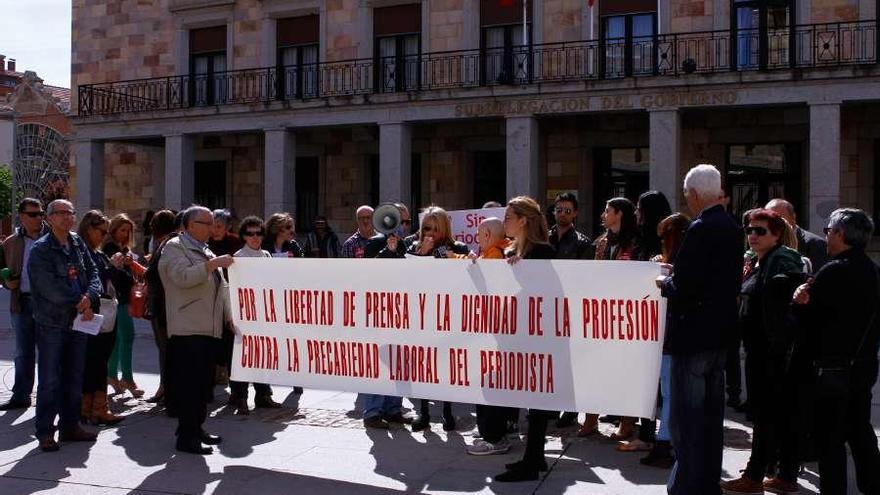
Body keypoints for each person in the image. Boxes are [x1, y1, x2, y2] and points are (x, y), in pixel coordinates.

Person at [656, 164, 743, 495]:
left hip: (692, 337)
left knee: (687, 420)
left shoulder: (700, 228)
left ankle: (688, 485)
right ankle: (706, 482)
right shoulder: (733, 227)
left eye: (686, 194)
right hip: (720, 336)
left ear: (693, 194)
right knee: (710, 419)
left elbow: (687, 286)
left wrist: (666, 282)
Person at [793, 208, 880, 495]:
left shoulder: (832, 271)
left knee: (830, 439)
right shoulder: (873, 271)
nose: (826, 236)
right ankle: (872, 483)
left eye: (829, 231)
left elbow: (808, 321)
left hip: (832, 369)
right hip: (863, 365)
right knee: (859, 428)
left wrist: (799, 301)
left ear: (840, 234)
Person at [720, 209, 806, 495]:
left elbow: (782, 306)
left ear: (777, 234)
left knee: (768, 415)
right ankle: (783, 475)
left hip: (773, 353)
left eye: (760, 231)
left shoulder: (781, 261)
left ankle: (756, 476)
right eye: (749, 230)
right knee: (777, 415)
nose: (753, 236)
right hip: (763, 350)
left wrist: (777, 346)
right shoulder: (759, 261)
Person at [28, 199, 103, 452]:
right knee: (50, 379)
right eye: (60, 213)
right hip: (52, 322)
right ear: (49, 218)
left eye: (70, 213)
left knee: (74, 376)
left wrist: (89, 297)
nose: (67, 217)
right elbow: (47, 287)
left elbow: (94, 273)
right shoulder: (41, 249)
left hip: (78, 323)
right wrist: (78, 302)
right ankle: (45, 431)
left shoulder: (78, 243)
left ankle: (70, 426)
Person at [159, 205, 234, 455]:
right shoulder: (174, 248)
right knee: (190, 386)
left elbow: (220, 290)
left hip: (208, 328)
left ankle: (195, 428)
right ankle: (186, 437)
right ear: (191, 226)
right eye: (207, 223)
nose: (213, 227)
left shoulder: (204, 249)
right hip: (187, 328)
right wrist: (212, 265)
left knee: (204, 386)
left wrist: (229, 317)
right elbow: (181, 277)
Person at [493, 196, 556, 482]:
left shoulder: (541, 252)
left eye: (508, 217)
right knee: (533, 398)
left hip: (538, 336)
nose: (504, 221)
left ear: (523, 221)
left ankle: (532, 461)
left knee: (538, 399)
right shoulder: (514, 251)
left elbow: (544, 294)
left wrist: (522, 273)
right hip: (523, 334)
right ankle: (536, 457)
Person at [579, 197, 640, 440]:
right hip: (600, 315)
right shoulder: (602, 243)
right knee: (594, 368)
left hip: (626, 316)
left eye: (607, 210)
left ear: (620, 214)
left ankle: (626, 423)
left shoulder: (635, 243)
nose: (603, 214)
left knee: (624, 371)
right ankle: (591, 419)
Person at [406, 206, 469, 432]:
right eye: (426, 228)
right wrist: (421, 254)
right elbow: (406, 279)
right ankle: (423, 413)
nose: (430, 233)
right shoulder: (413, 247)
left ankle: (447, 411)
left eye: (435, 228)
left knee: (446, 365)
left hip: (448, 314)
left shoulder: (458, 248)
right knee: (422, 366)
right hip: (421, 315)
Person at [640, 213, 691, 469]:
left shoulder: (681, 266)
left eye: (663, 238)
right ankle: (666, 441)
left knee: (669, 393)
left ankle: (665, 442)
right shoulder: (681, 263)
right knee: (669, 392)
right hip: (672, 337)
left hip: (672, 337)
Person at [358, 203, 414, 429]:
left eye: (406, 222)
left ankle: (393, 408)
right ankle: (372, 412)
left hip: (403, 310)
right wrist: (388, 252)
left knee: (399, 362)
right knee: (379, 362)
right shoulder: (374, 243)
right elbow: (370, 272)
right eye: (400, 221)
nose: (403, 226)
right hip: (380, 310)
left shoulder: (409, 245)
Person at [465, 217, 518, 456]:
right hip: (501, 332)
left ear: (486, 234)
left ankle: (493, 436)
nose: (477, 238)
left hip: (494, 331)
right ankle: (497, 430)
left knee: (490, 382)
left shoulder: (495, 257)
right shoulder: (501, 253)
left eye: (479, 233)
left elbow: (488, 290)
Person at [228, 216, 283, 414]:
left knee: (263, 355)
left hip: (264, 313)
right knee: (243, 356)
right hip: (244, 314)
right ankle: (240, 396)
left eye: (259, 233)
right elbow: (234, 288)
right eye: (250, 234)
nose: (255, 237)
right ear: (243, 235)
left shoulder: (267, 255)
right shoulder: (239, 256)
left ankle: (263, 394)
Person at [548, 192, 593, 428]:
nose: (562, 214)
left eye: (567, 210)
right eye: (558, 210)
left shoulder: (583, 243)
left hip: (570, 309)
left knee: (571, 362)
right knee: (552, 360)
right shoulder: (545, 238)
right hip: (546, 307)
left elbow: (584, 280)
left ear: (575, 213)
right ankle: (552, 406)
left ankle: (572, 408)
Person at [0, 198, 48, 410]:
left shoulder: (52, 237)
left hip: (48, 305)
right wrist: (6, 282)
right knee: (23, 352)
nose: (39, 218)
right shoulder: (11, 242)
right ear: (21, 216)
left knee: (50, 351)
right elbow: (2, 270)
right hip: (21, 303)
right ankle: (21, 396)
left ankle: (50, 396)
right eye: (33, 214)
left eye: (41, 214)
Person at [77, 210, 123, 426]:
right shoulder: (81, 252)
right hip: (90, 314)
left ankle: (95, 408)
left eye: (106, 232)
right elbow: (90, 281)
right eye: (101, 231)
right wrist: (112, 268)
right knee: (92, 363)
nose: (105, 236)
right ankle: (90, 409)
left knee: (98, 363)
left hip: (103, 315)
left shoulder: (97, 253)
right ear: (88, 228)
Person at [104, 213, 147, 398]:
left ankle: (112, 375)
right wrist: (129, 266)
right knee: (127, 337)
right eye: (122, 230)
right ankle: (127, 378)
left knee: (118, 340)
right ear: (114, 230)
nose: (125, 234)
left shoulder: (124, 249)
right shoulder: (111, 248)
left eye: (128, 231)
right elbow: (115, 275)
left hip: (123, 299)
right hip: (118, 299)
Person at [144, 209, 177, 405]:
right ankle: (166, 387)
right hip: (166, 305)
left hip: (162, 305)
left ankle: (166, 388)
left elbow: (154, 274)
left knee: (165, 348)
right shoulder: (168, 244)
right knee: (165, 348)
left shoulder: (165, 245)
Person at [209, 209, 244, 388]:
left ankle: (233, 381)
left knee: (230, 338)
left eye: (219, 226)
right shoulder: (204, 243)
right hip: (209, 297)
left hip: (229, 295)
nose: (214, 230)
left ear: (227, 227)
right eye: (212, 226)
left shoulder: (234, 242)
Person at [766, 198, 828, 272]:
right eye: (768, 219)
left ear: (793, 217)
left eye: (778, 218)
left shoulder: (815, 244)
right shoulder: (763, 243)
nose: (773, 223)